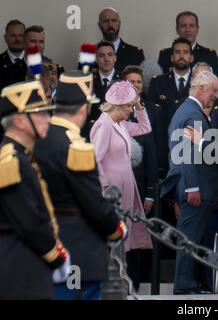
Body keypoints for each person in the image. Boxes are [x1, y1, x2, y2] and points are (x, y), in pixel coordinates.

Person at [34, 71, 127, 299]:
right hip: (78, 248)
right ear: (84, 108)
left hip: (41, 246)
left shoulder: (37, 140)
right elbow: (93, 202)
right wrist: (116, 229)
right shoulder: (76, 147)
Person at [0, 80, 70, 299]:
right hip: (20, 268)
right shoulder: (11, 160)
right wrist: (56, 256)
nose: (48, 118)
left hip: (25, 264)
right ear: (20, 120)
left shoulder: (20, 156)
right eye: (40, 113)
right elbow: (29, 221)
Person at [161, 71, 218, 294]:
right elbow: (187, 154)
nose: (216, 95)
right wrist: (193, 187)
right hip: (196, 188)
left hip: (192, 186)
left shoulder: (185, 110)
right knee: (191, 238)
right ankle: (185, 286)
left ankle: (193, 284)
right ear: (202, 88)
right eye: (213, 90)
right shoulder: (193, 114)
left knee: (194, 237)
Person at [90, 81, 153, 267]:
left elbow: (144, 128)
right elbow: (95, 159)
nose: (131, 110)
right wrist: (105, 188)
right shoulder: (104, 125)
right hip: (112, 194)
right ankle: (111, 284)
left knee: (122, 238)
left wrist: (140, 106)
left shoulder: (120, 124)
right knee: (113, 238)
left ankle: (120, 279)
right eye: (129, 106)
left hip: (125, 189)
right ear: (117, 106)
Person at [120, 65, 159, 291]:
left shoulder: (149, 111)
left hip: (139, 188)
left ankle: (133, 286)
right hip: (116, 191)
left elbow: (152, 156)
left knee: (135, 243)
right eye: (130, 82)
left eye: (138, 82)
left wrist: (151, 192)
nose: (134, 86)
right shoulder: (108, 120)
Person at [148, 37, 193, 178]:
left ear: (191, 57)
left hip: (192, 147)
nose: (181, 55)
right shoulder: (157, 82)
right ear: (172, 57)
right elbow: (150, 117)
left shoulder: (200, 82)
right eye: (177, 52)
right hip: (164, 146)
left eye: (185, 52)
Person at [158, 11, 218, 75]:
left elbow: (214, 81)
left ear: (197, 29)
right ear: (177, 29)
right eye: (183, 26)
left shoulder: (209, 55)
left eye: (191, 26)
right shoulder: (165, 54)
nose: (188, 30)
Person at [97, 7, 145, 73]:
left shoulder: (135, 54)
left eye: (114, 21)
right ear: (99, 25)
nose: (110, 25)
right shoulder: (88, 54)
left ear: (119, 23)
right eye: (105, 21)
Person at [0, 20, 26, 90]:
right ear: (5, 38)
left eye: (21, 35)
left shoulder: (38, 62)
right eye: (13, 35)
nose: (17, 39)